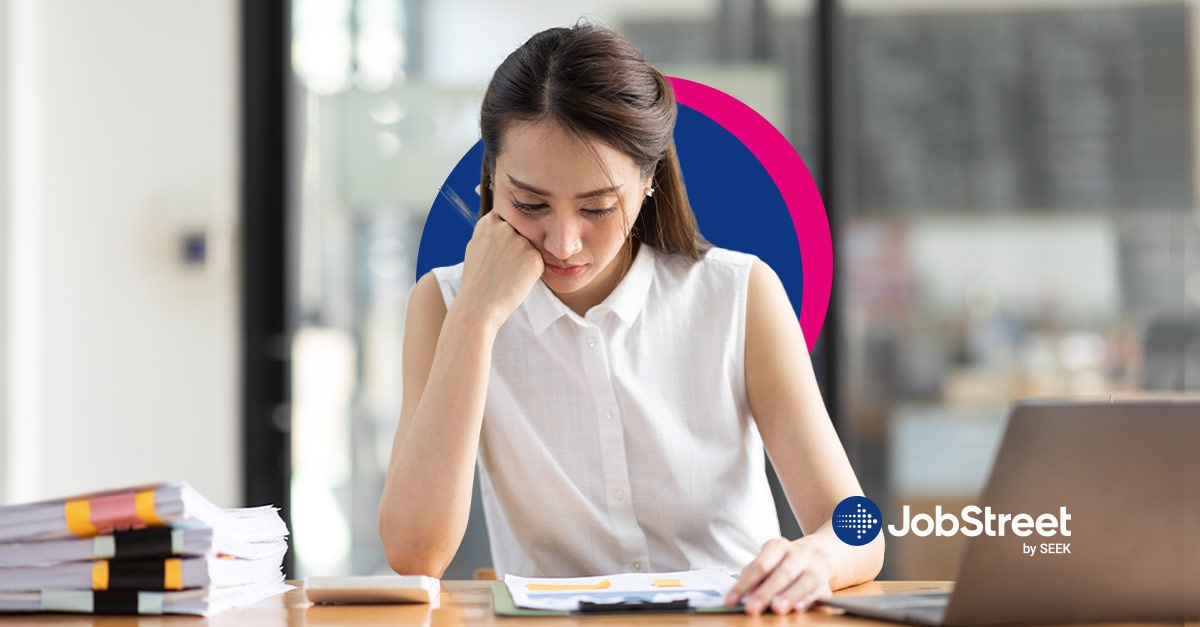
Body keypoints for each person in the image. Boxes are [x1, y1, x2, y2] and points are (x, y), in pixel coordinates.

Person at [378, 22, 883, 616]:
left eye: (597, 207)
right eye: (530, 203)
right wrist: (477, 318)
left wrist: (818, 557)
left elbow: (856, 525)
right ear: (491, 177)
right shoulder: (444, 305)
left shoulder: (738, 293)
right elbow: (414, 554)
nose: (563, 242)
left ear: (648, 183)